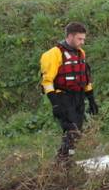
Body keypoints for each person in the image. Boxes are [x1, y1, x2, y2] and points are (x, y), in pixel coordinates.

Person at [40, 22, 98, 159]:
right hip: (63, 98)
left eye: (84, 39)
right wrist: (55, 103)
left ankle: (65, 161)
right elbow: (47, 81)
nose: (82, 42)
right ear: (70, 36)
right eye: (80, 39)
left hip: (78, 97)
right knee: (72, 131)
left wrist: (91, 99)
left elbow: (85, 77)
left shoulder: (80, 53)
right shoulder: (53, 54)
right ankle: (62, 163)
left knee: (77, 134)